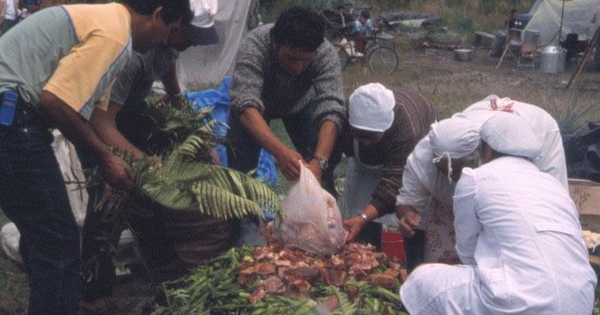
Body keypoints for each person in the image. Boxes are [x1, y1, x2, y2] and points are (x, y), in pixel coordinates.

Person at [0, 0, 191, 314]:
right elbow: (56, 100)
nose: (167, 43)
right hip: (11, 117)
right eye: (170, 32)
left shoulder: (113, 32)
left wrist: (140, 164)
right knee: (58, 244)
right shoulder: (114, 33)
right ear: (157, 15)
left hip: (14, 117)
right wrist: (105, 159)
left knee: (44, 238)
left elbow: (100, 120)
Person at [78, 0, 218, 302]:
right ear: (174, 28)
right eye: (188, 38)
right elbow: (102, 121)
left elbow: (167, 66)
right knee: (109, 196)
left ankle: (161, 265)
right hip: (97, 121)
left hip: (127, 114)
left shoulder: (169, 45)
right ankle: (94, 281)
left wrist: (177, 99)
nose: (190, 46)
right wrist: (138, 159)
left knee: (144, 195)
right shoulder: (133, 57)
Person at [400, 112, 597, 315]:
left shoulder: (475, 178)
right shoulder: (552, 185)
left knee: (423, 280)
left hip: (521, 303)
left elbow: (468, 254)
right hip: (581, 301)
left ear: (486, 148)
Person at [396, 95, 568, 271]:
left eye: (456, 170)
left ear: (479, 155)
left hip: (538, 133)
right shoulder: (424, 155)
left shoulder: (502, 157)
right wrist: (406, 215)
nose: (451, 177)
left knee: (542, 219)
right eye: (442, 170)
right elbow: (406, 201)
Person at [227, 6, 345, 245]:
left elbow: (331, 108)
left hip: (300, 105)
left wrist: (319, 161)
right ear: (276, 42)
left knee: (321, 166)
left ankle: (324, 231)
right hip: (254, 109)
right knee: (241, 173)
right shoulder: (256, 44)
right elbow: (245, 105)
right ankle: (245, 237)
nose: (298, 66)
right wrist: (280, 153)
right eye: (291, 58)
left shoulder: (324, 52)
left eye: (306, 61)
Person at [339, 83, 437, 250]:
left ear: (386, 127)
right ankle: (368, 248)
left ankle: (415, 259)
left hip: (411, 160)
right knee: (360, 210)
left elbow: (394, 184)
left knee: (412, 218)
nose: (365, 142)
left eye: (372, 137)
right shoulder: (343, 119)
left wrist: (364, 217)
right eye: (360, 136)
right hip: (367, 165)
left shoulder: (406, 130)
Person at [591, 4, 600, 70]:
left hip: (598, 32)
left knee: (598, 48)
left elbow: (592, 20)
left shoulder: (597, 9)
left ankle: (597, 66)